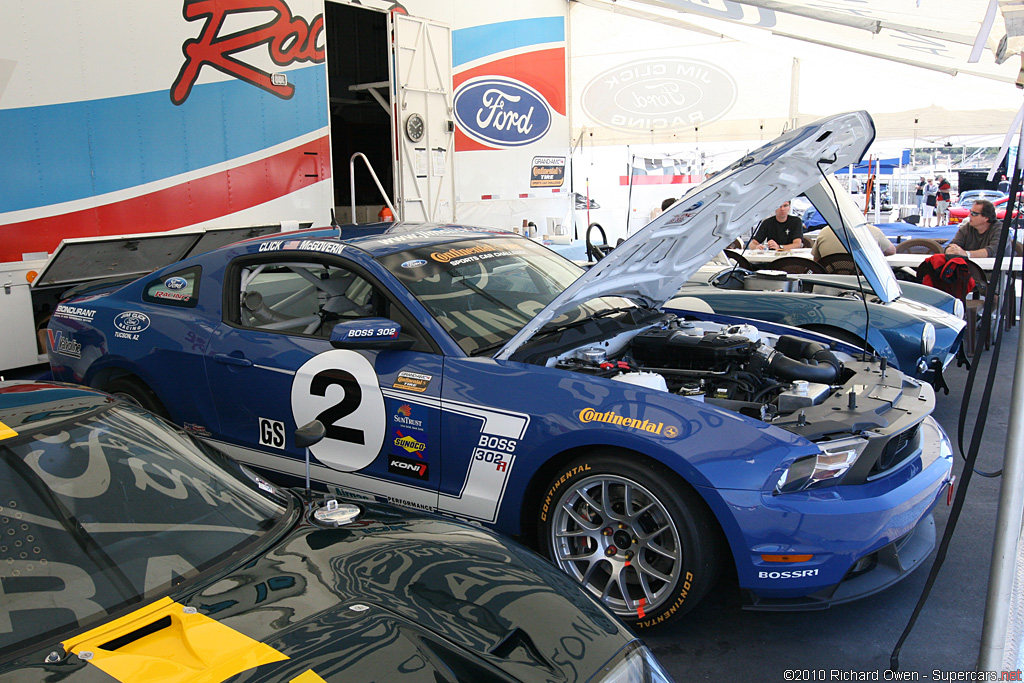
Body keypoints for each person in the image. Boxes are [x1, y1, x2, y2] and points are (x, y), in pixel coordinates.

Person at [812, 224, 896, 260]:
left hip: (831, 283)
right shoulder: (873, 230)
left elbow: (817, 261)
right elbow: (891, 251)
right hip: (864, 283)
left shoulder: (824, 231)